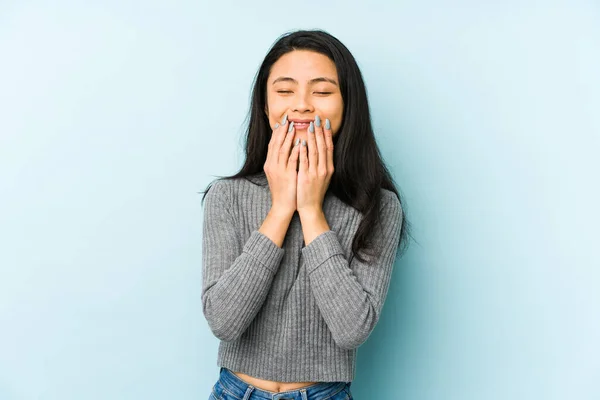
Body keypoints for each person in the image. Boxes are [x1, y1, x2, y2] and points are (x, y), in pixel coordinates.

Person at [200, 29, 411, 400]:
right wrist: (281, 208)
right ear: (265, 107)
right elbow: (224, 321)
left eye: (323, 91)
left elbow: (351, 329)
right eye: (284, 91)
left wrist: (311, 210)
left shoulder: (379, 207)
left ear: (348, 105)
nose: (302, 105)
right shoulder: (226, 197)